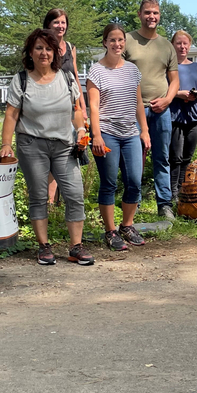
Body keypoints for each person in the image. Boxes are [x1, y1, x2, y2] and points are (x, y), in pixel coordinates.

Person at [0, 29, 93, 266]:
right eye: (39, 48)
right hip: (32, 145)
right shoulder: (21, 80)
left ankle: (76, 247)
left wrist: (81, 130)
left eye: (48, 48)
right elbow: (11, 115)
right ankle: (44, 246)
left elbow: (76, 110)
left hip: (64, 146)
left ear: (55, 53)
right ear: (30, 52)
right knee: (39, 196)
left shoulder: (66, 77)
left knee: (74, 194)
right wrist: (5, 145)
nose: (44, 53)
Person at [87, 23, 151, 250]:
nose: (117, 44)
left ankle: (127, 225)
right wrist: (96, 136)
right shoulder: (96, 71)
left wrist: (144, 130)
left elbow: (138, 103)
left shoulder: (132, 70)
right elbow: (93, 107)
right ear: (105, 42)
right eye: (112, 40)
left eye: (120, 40)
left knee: (134, 181)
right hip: (107, 132)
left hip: (130, 132)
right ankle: (110, 230)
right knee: (109, 183)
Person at [122, 0, 179, 220]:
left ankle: (164, 205)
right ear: (139, 14)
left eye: (155, 13)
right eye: (147, 13)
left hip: (161, 111)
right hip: (133, 110)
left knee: (161, 158)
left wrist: (167, 100)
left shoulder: (167, 46)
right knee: (134, 158)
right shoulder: (127, 40)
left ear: (160, 15)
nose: (151, 17)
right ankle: (131, 204)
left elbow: (174, 80)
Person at [43, 8, 86, 205]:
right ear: (48, 25)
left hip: (71, 107)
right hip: (49, 107)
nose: (60, 26)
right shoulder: (43, 46)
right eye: (56, 22)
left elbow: (76, 78)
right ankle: (48, 202)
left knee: (71, 151)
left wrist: (83, 109)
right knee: (51, 154)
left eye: (63, 22)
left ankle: (65, 200)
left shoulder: (69, 47)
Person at [169, 30, 197, 205]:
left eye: (185, 43)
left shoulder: (196, 67)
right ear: (172, 45)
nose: (182, 46)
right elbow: (162, 89)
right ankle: (172, 193)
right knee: (175, 157)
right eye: (179, 43)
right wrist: (179, 94)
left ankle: (183, 189)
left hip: (194, 117)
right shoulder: (168, 67)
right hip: (175, 116)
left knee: (187, 156)